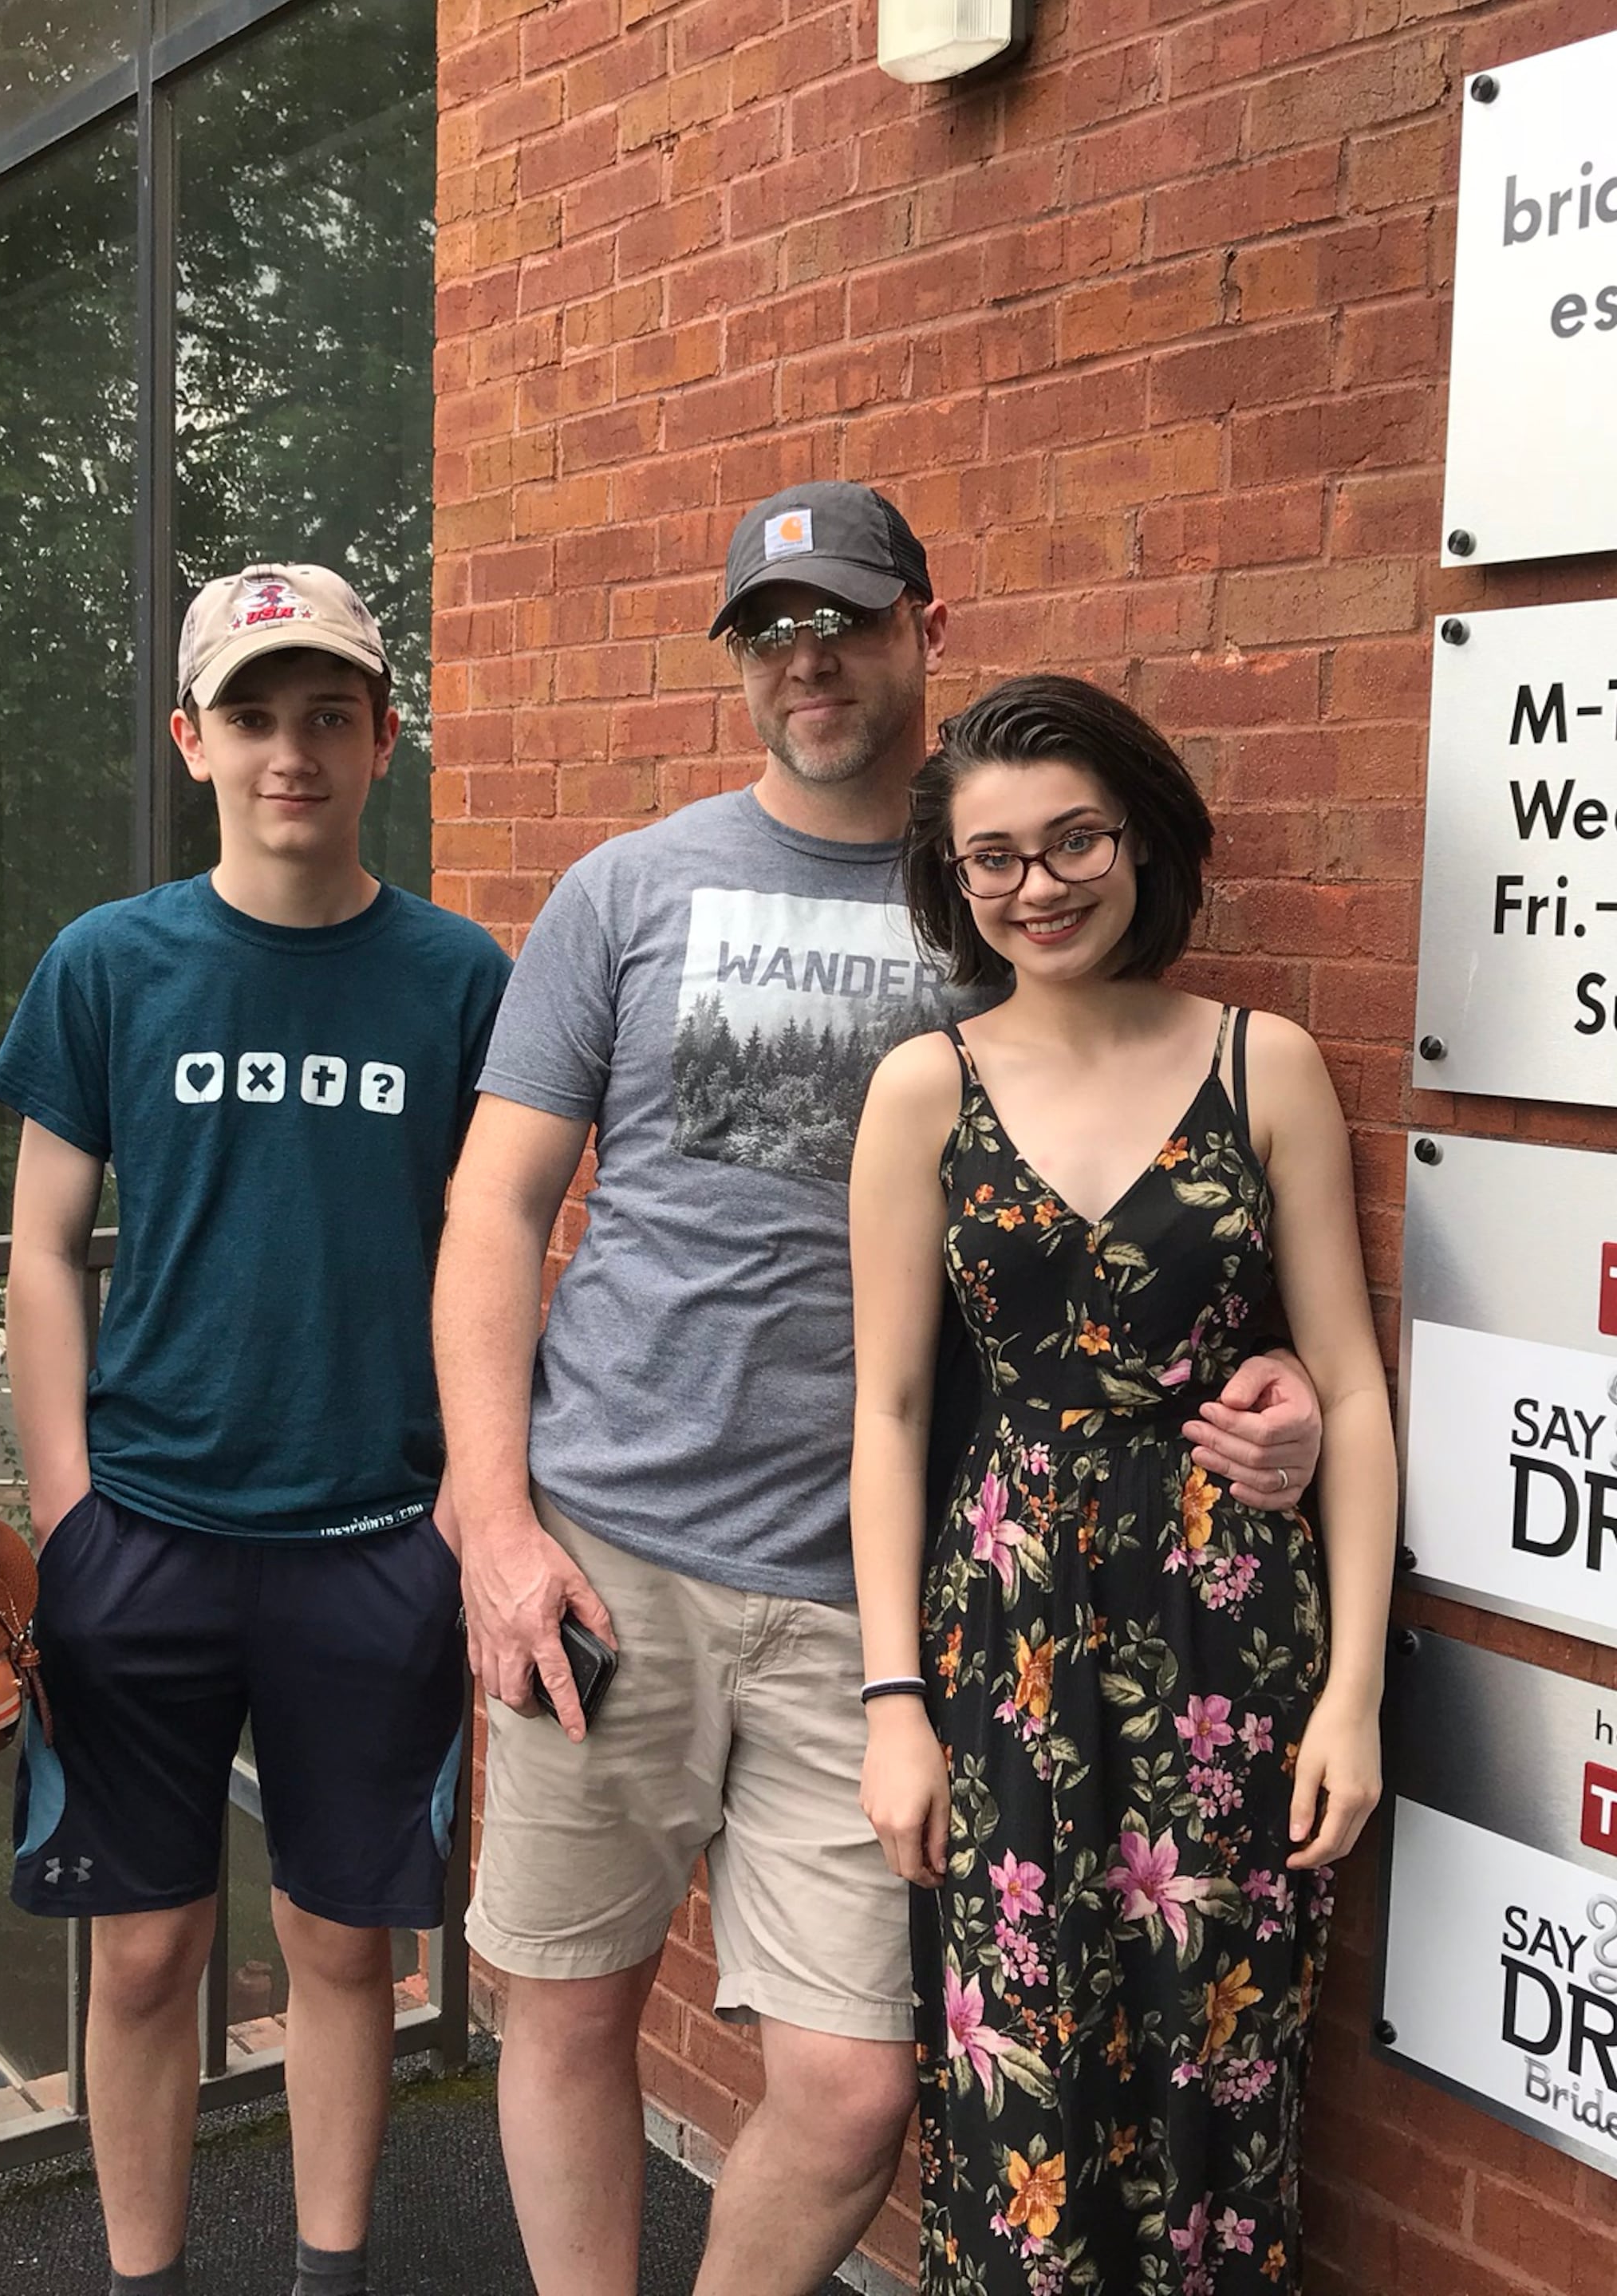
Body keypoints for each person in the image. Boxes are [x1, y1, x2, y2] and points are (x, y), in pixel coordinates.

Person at [432, 483, 1327, 2296]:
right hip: (610, 1555)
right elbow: (494, 1210)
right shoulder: (629, 889)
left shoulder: (1008, 889)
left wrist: (1269, 1374)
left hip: (886, 1604)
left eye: (840, 618)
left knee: (852, 2091)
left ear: (929, 621)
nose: (806, 659)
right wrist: (496, 1518)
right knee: (566, 2008)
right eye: (768, 631)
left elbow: (1136, 1183)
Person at [0, 564, 508, 2296]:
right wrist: (64, 1507)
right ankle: (141, 2277)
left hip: (377, 1536)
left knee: (342, 1947)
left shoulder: (456, 977)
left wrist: (470, 1505)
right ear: (192, 737)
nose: (296, 749)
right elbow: (42, 1254)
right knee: (143, 1956)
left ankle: (329, 2275)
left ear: (382, 741)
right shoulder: (111, 966)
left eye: (331, 715)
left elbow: (494, 1255)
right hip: (144, 1527)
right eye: (258, 715)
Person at [845, 674, 1399, 2294]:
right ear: (954, 883)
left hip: (1233, 1649)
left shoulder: (1263, 1066)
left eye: (1077, 837)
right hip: (1004, 1648)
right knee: (1015, 2076)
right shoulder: (922, 1090)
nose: (1042, 884)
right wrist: (894, 1703)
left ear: (1143, 841)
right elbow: (885, 1413)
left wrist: (1352, 1697)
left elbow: (1351, 1392)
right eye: (996, 857)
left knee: (1218, 2066)